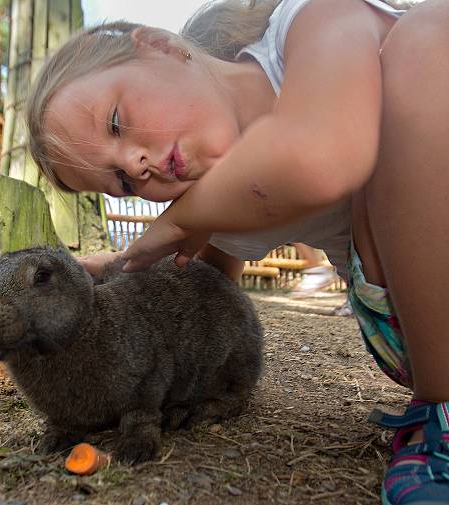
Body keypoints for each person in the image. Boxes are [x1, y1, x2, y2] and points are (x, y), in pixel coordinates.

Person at [25, 1, 448, 504]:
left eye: (116, 123)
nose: (135, 165)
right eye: (120, 181)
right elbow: (199, 300)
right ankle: (441, 413)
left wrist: (180, 221)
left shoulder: (313, 19)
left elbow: (323, 155)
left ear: (159, 46)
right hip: (422, 334)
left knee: (428, 34)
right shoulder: (216, 210)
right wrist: (104, 286)